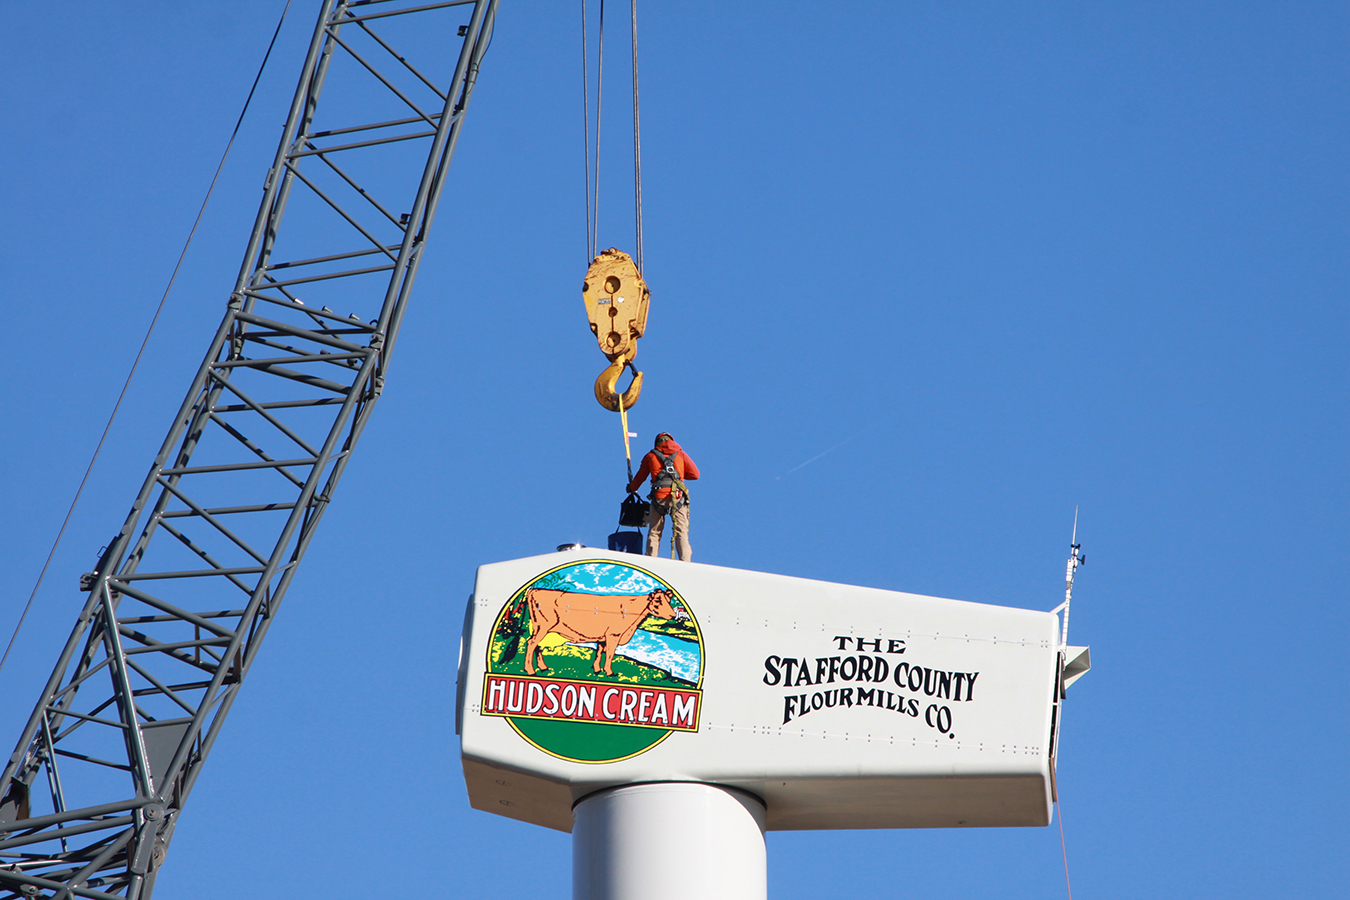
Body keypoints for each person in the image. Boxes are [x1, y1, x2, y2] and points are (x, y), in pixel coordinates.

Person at [626, 432, 700, 561]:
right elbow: (695, 474)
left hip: (658, 497)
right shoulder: (680, 454)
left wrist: (631, 488)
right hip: (677, 497)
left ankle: (651, 559)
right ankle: (685, 561)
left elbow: (640, 478)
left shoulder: (651, 456)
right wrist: (680, 474)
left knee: (654, 532)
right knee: (681, 531)